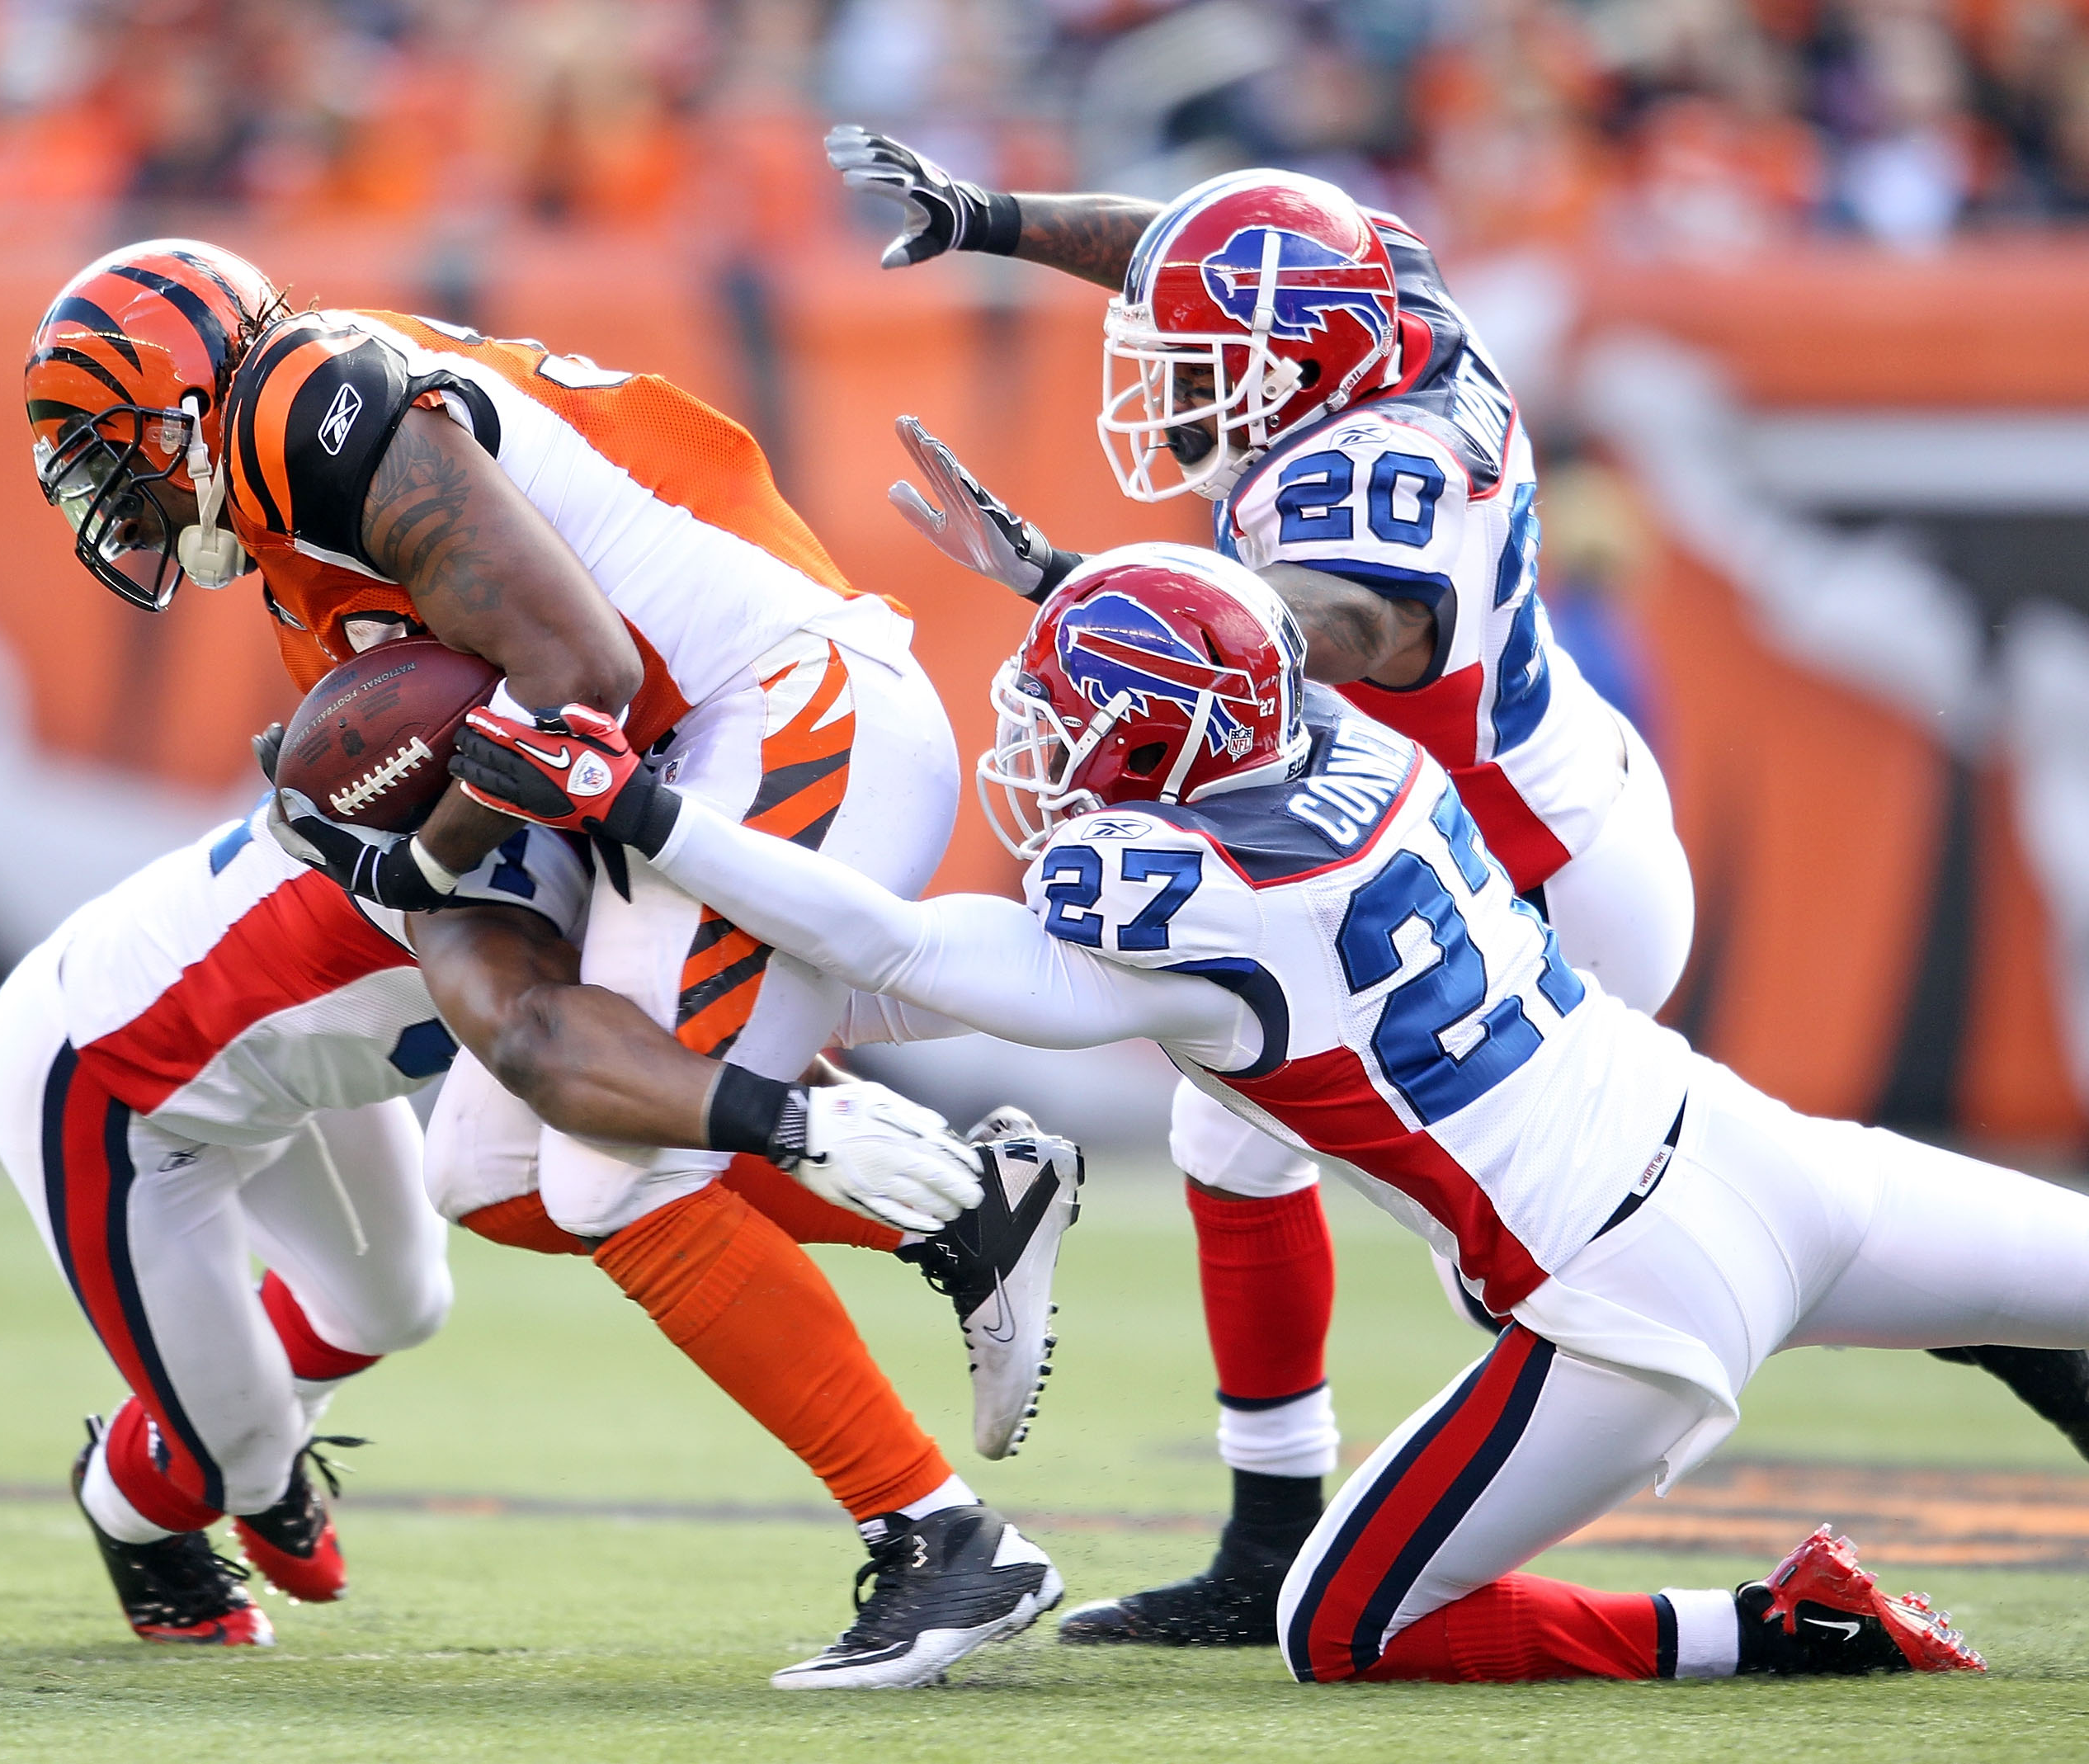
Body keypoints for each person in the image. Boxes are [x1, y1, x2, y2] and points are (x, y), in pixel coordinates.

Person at [825, 128, 2089, 1641]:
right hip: (1557, 798)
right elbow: (1213, 253)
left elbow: (1351, 621)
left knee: (1518, 1213)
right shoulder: (1391, 307)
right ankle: (1282, 1533)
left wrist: (1100, 601)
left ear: (1301, 368)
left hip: (1519, 863)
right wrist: (1001, 216)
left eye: (1197, 365)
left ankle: (1342, 1526)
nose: (1166, 388)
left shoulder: (1366, 482)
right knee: (1252, 1137)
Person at [441, 540, 2081, 1683]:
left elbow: (892, 949)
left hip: (1629, 1289)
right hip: (1764, 1149)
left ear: (1155, 743)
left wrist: (645, 807)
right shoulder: (1359, 746)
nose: (1049, 750)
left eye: (1074, 722)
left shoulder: (1179, 903)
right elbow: (1208, 675)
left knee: (1344, 1627)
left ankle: (1789, 1624)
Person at [18, 244, 1075, 1685]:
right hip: (699, 752)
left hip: (777, 700)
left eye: (111, 453)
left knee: (606, 1169)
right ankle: (966, 1213)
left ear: (182, 402)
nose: (110, 502)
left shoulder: (299, 404)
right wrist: (413, 863)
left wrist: (428, 850)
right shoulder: (296, 561)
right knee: (493, 1177)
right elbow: (505, 967)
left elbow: (581, 667)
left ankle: (941, 1540)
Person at [0, 781, 1068, 1677]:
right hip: (114, 1085)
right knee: (237, 1458)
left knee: (399, 1300)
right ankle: (141, 1501)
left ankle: (239, 1421)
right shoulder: (464, 866)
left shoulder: (547, 811)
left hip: (287, 1071)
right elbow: (585, 1048)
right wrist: (802, 1115)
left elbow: (696, 1020)